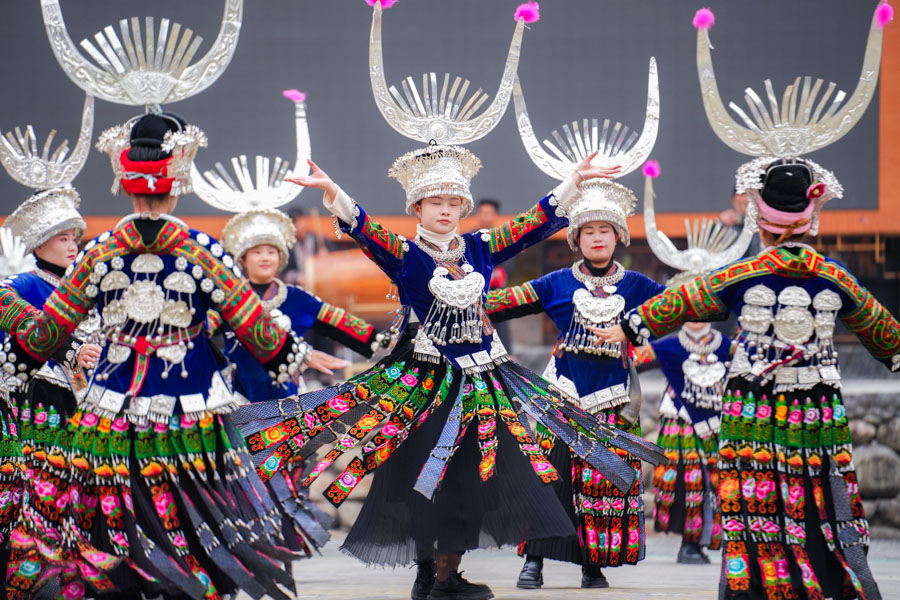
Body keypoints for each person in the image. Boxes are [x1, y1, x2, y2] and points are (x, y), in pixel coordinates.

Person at [0, 112, 313, 598]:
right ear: (178, 186)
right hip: (190, 422)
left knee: (114, 541)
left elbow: (41, 338)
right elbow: (266, 341)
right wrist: (294, 349)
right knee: (197, 539)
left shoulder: (98, 254)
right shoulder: (202, 252)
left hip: (110, 422)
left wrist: (9, 313)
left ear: (125, 186)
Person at [486, 182, 665, 589]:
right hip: (564, 394)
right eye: (589, 231)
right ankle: (533, 560)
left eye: (605, 230)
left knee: (601, 481)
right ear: (576, 239)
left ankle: (592, 564)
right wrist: (461, 293)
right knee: (550, 476)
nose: (597, 238)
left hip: (616, 397)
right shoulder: (555, 283)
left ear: (618, 236)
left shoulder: (638, 285)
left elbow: (674, 309)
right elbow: (501, 303)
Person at [633, 321, 731, 564]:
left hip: (716, 420)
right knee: (687, 480)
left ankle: (702, 540)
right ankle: (689, 542)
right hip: (681, 420)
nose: (698, 317)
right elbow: (629, 363)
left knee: (714, 481)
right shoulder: (669, 346)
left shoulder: (726, 345)